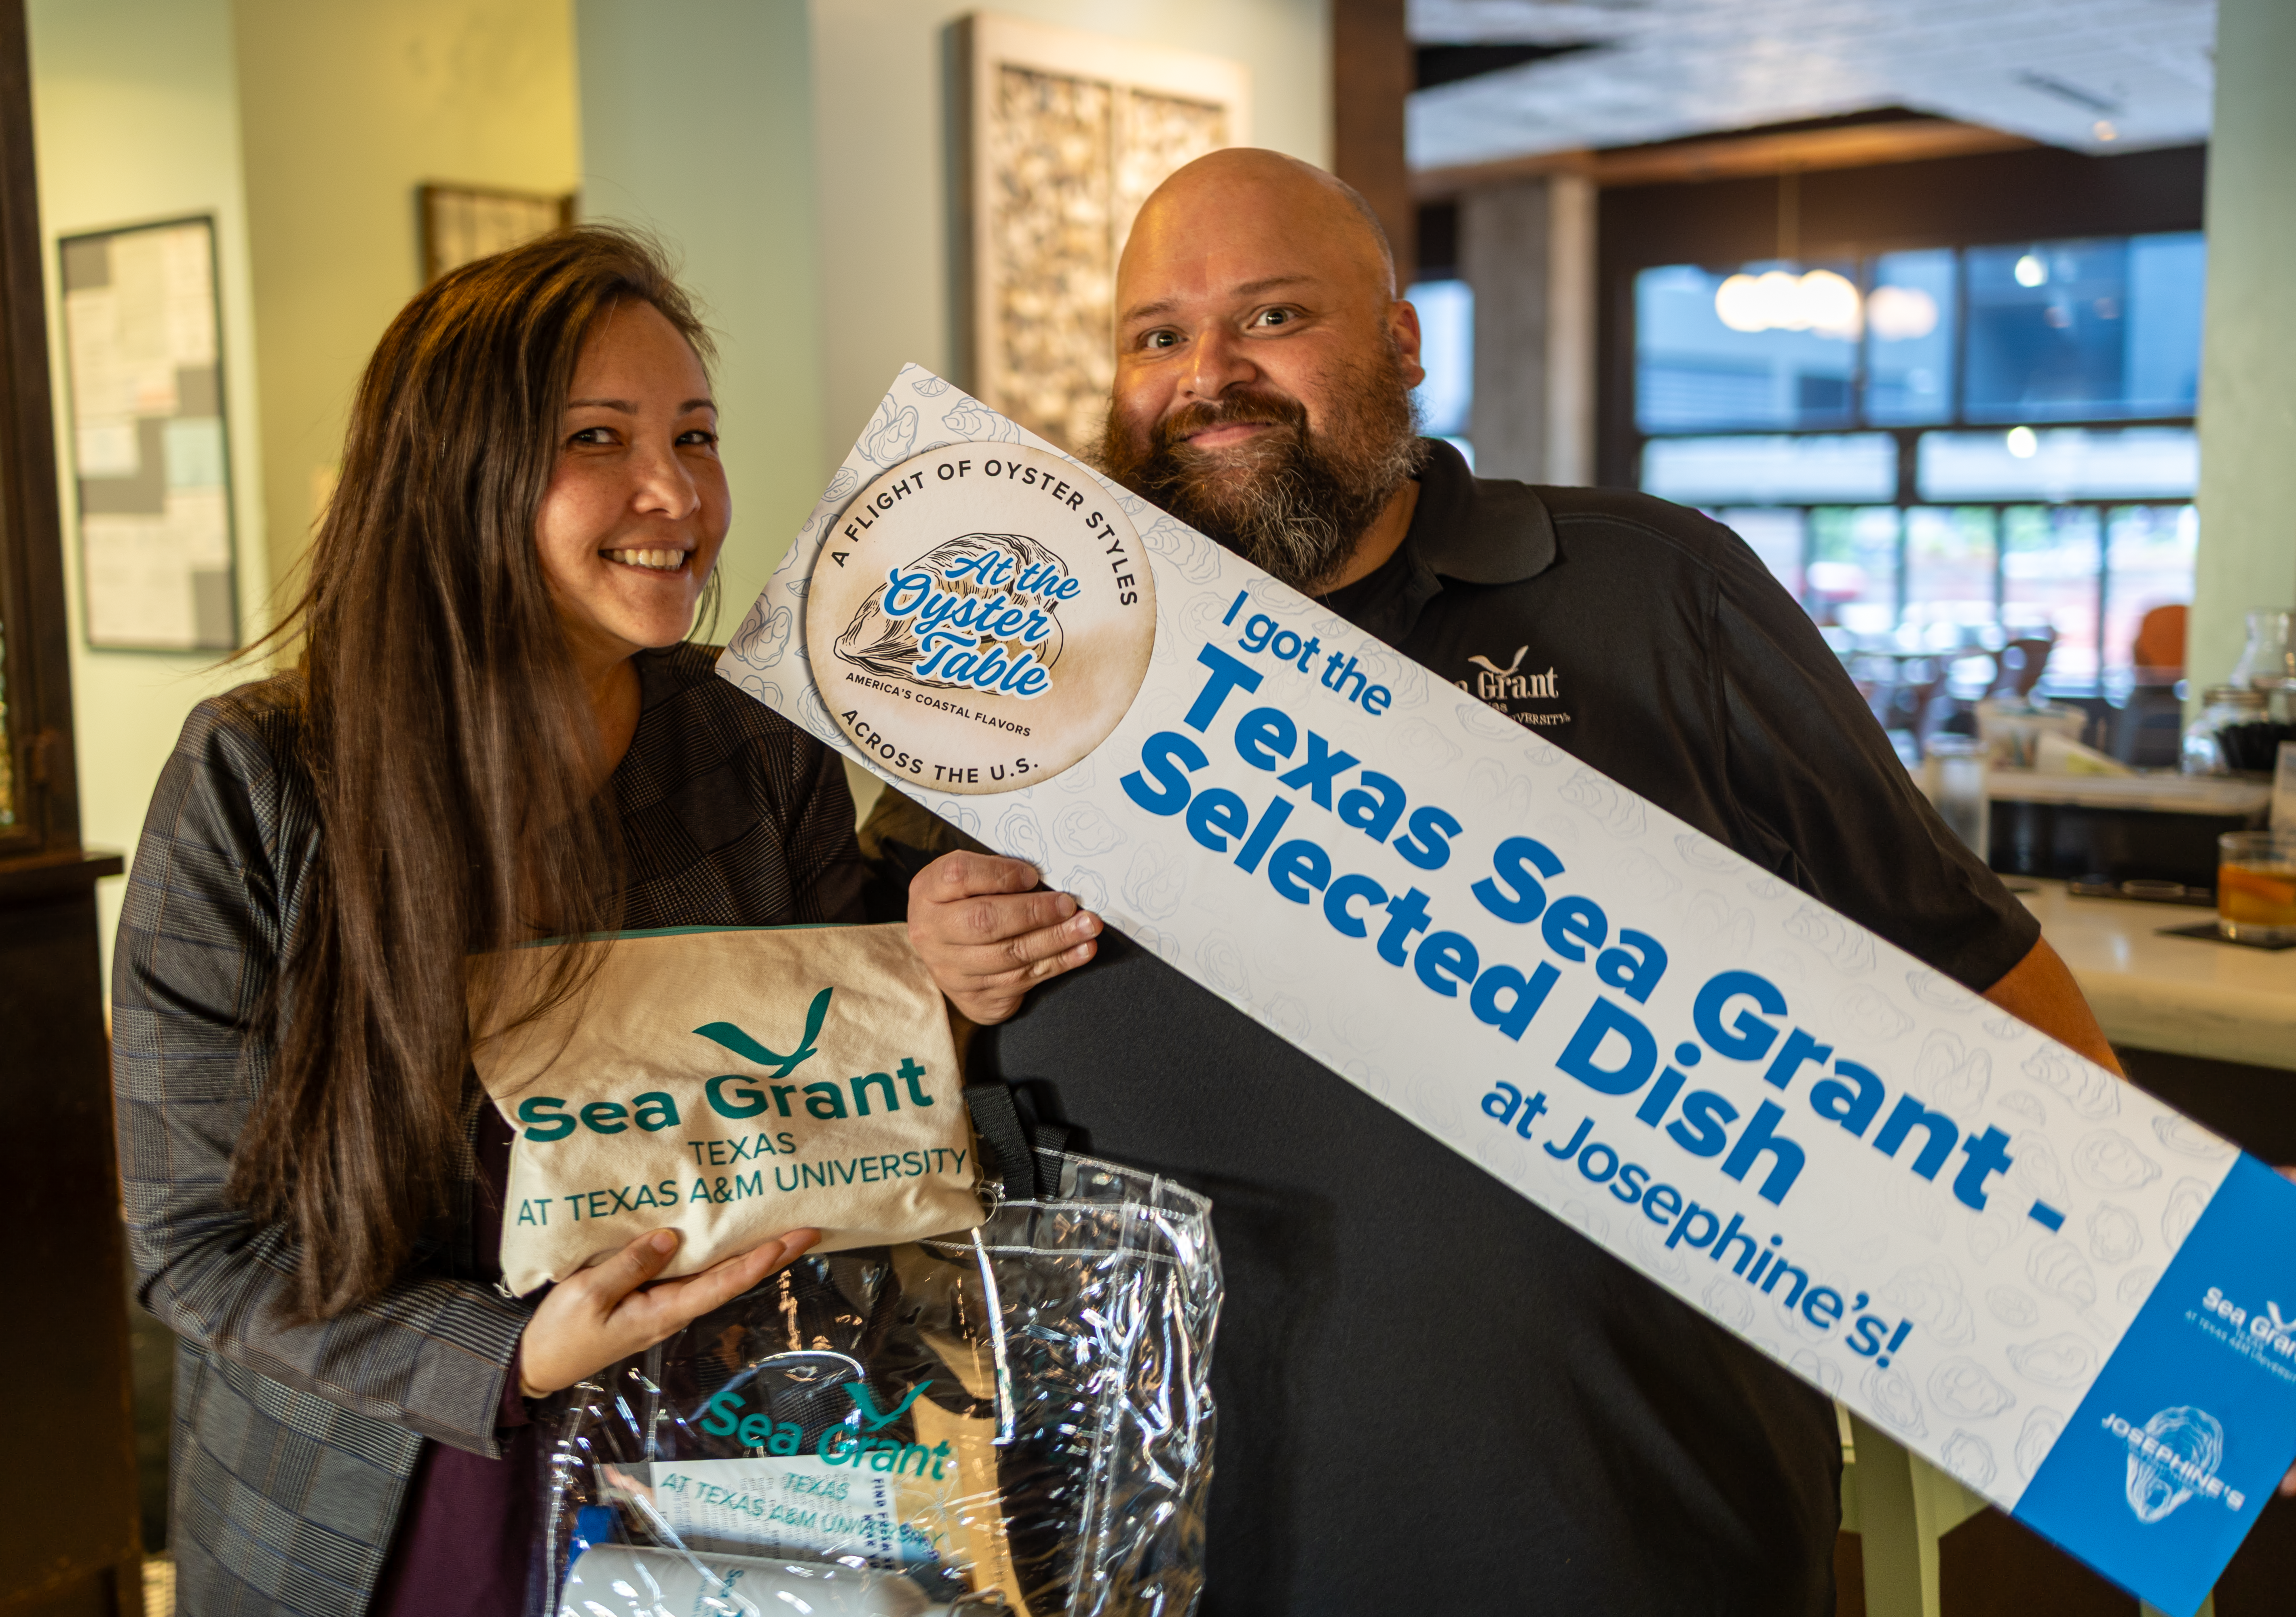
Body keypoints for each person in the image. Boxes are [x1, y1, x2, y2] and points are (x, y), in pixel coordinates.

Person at [886, 149, 2126, 1613]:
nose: (1208, 375)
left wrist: (2169, 1292)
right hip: (1158, 1549)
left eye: (1273, 317)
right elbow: (877, 1064)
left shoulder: (1657, 592)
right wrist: (928, 963)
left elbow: (1961, 958)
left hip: (1629, 1536)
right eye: (1159, 336)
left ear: (1402, 345)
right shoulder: (1010, 662)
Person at [112, 229, 846, 1616]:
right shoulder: (261, 779)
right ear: (454, 476)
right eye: (596, 438)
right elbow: (192, 1244)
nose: (674, 490)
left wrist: (951, 977)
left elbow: (852, 1118)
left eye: (696, 433)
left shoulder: (760, 750)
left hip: (726, 1466)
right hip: (375, 1500)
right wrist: (506, 1357)